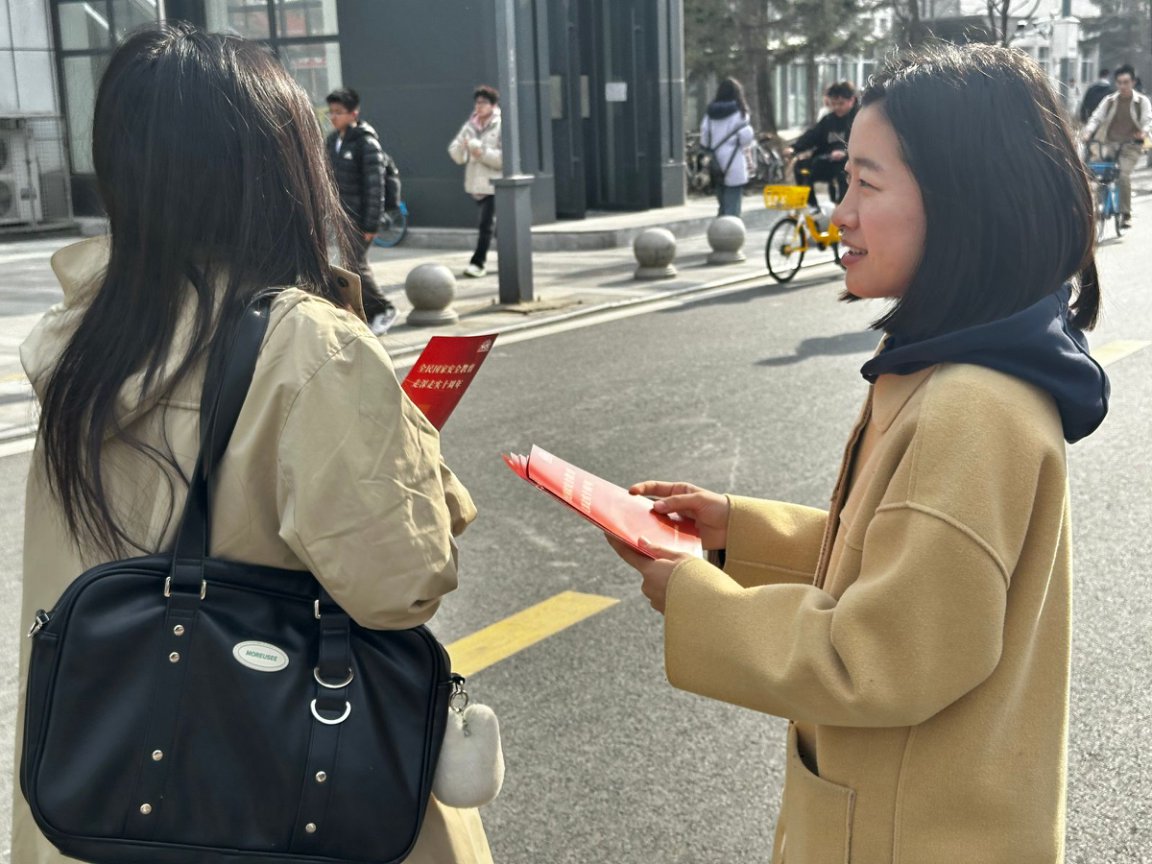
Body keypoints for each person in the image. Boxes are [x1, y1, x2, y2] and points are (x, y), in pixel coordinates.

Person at [608, 43, 1107, 863]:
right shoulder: (965, 369)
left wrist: (696, 599)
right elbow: (913, 569)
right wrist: (735, 534)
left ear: (961, 200)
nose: (840, 214)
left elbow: (884, 655)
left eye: (866, 184)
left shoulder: (969, 407)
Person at [14, 23, 492, 864]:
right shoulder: (305, 347)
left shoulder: (83, 333)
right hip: (274, 801)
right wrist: (408, 448)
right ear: (280, 171)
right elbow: (401, 585)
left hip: (100, 793)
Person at [325, 87, 398, 335]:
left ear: (353, 113)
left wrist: (371, 224)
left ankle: (384, 309)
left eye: (338, 112)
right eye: (331, 112)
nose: (333, 117)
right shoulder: (332, 141)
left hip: (360, 219)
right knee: (347, 266)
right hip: (341, 217)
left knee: (355, 266)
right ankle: (364, 315)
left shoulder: (366, 143)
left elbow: (375, 187)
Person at [1082, 64, 1151, 228]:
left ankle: (1126, 214)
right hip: (1109, 144)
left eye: (1126, 82)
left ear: (1133, 82)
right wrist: (1088, 132)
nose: (1122, 86)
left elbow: (1148, 120)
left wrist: (1144, 132)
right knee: (1097, 172)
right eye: (1119, 83)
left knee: (1123, 175)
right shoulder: (1110, 101)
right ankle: (1098, 205)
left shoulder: (1142, 102)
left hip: (1131, 147)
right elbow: (1096, 117)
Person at [448, 85, 503, 278]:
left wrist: (482, 153)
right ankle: (510, 259)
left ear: (493, 105)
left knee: (486, 225)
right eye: (477, 102)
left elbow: (504, 160)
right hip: (476, 185)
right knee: (497, 228)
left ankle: (477, 263)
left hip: (496, 185)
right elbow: (456, 153)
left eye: (484, 102)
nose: (479, 106)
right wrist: (462, 148)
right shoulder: (470, 126)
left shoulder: (500, 125)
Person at [784, 81, 858, 209]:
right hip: (827, 161)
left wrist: (846, 153)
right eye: (834, 104)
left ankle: (844, 208)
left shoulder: (860, 119)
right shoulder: (828, 120)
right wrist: (794, 148)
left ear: (852, 100)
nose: (837, 107)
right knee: (801, 167)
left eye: (841, 103)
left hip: (851, 163)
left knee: (844, 172)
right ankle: (812, 206)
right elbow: (812, 135)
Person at [700, 77, 756, 217]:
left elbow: (704, 136)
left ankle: (720, 228)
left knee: (722, 204)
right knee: (733, 207)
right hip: (734, 162)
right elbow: (746, 139)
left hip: (715, 163)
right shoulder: (741, 113)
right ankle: (731, 229)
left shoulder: (710, 113)